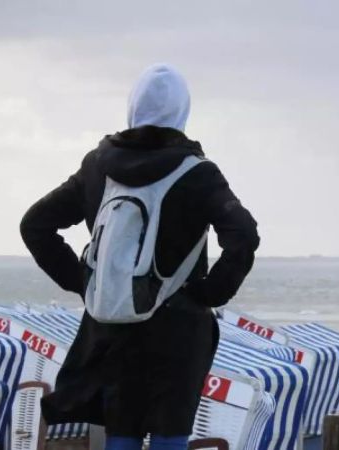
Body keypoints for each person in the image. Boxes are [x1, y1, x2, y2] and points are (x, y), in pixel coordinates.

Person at [20, 64, 260, 450]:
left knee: (122, 434)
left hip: (114, 322)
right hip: (177, 328)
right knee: (170, 436)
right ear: (183, 112)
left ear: (132, 108)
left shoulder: (98, 165)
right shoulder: (198, 173)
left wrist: (84, 284)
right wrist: (209, 293)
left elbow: (35, 225)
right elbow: (243, 235)